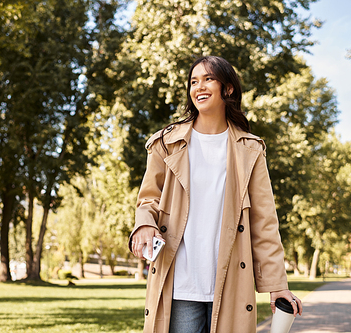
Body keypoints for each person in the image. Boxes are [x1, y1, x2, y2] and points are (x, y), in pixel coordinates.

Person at [128, 55, 303, 333]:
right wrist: (145, 224)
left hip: (232, 283)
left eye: (208, 79)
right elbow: (148, 198)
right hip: (181, 285)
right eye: (194, 81)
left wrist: (277, 286)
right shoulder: (166, 143)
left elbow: (264, 221)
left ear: (228, 88)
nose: (200, 86)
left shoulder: (251, 150)